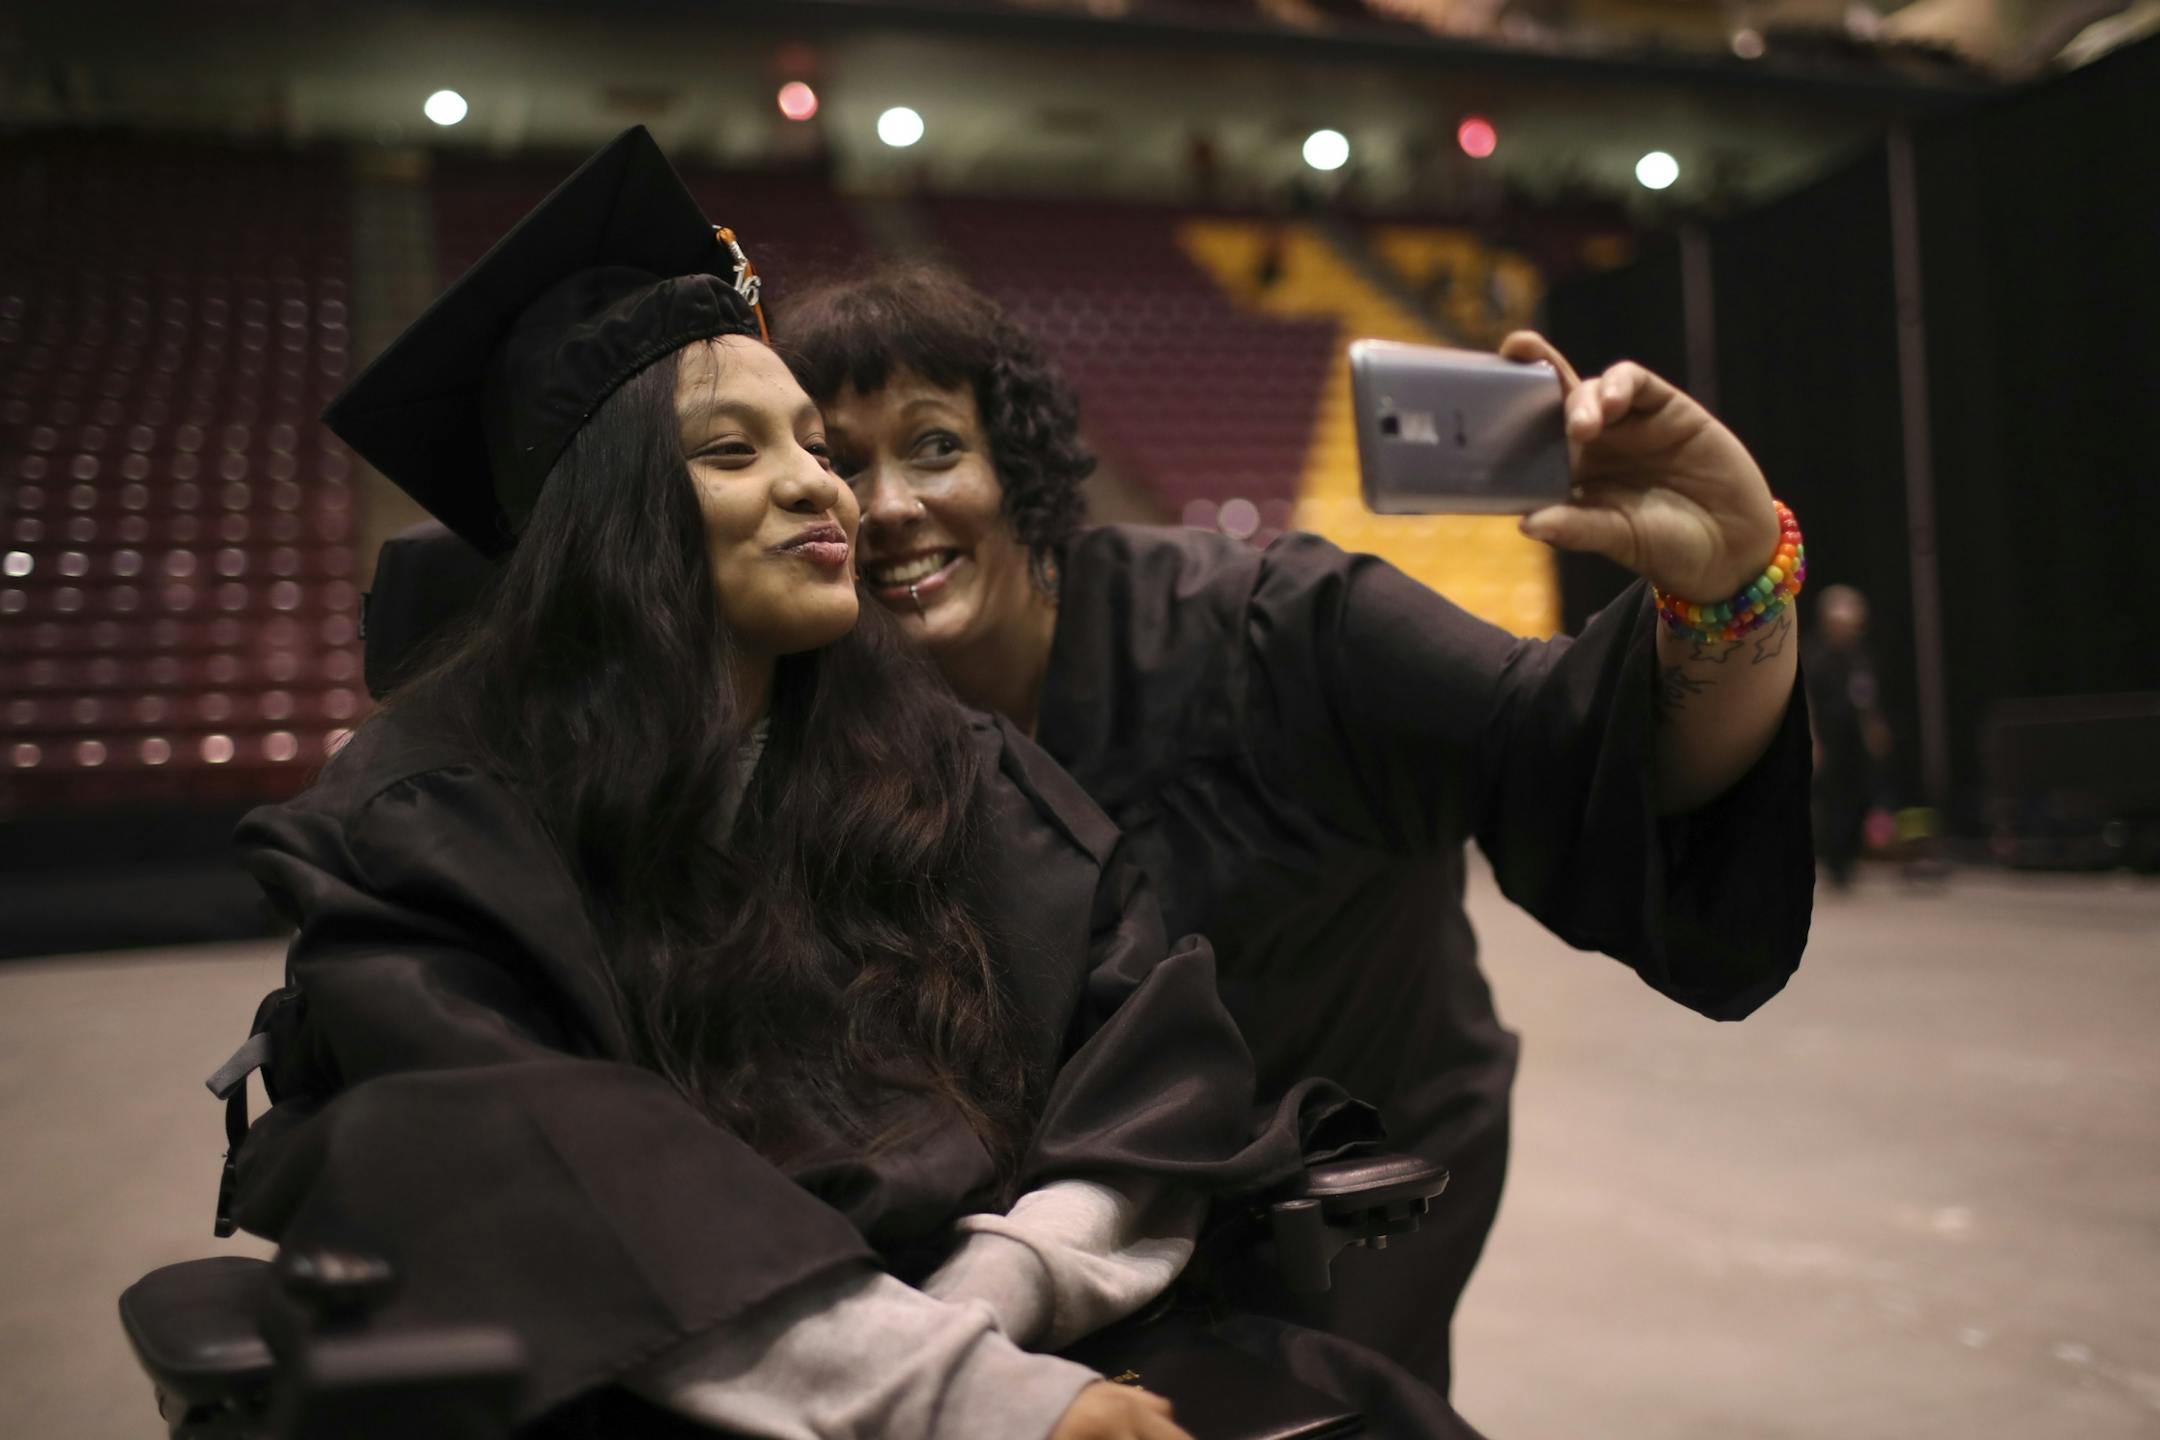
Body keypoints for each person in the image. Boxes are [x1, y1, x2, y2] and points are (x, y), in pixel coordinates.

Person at [217, 128, 1474, 1440]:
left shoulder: (941, 762)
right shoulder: (438, 823)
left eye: (809, 443)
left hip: (1030, 1337)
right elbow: (532, 1164)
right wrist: (953, 1397)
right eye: (731, 452)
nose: (823, 487)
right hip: (658, 1390)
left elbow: (1141, 1048)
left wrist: (997, 1303)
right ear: (608, 520)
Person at [781, 265, 1818, 1395]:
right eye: (841, 463)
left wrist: (1729, 587)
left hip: (1350, 1197)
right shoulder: (834, 737)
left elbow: (1590, 752)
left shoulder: (1281, 631)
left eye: (936, 445)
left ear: (1014, 462)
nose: (887, 506)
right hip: (1082, 1224)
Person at [1803, 583, 1893, 889]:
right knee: (1830, 801)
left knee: (1858, 797)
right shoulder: (1812, 655)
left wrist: (1874, 728)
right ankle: (1835, 863)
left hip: (1853, 740)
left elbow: (1867, 698)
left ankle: (1851, 858)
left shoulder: (1861, 657)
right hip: (1827, 737)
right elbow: (1806, 701)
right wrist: (1812, 739)